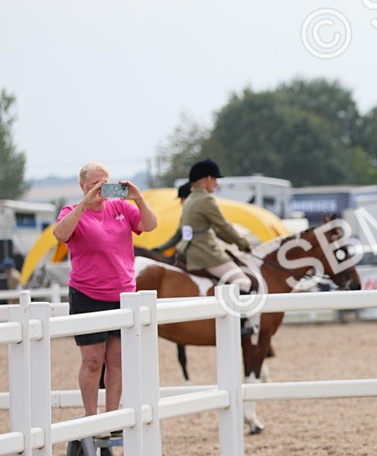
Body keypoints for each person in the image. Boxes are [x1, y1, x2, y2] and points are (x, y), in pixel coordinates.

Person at [52, 161, 158, 417]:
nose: (101, 189)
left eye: (105, 183)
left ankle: (112, 419)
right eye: (95, 184)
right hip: (87, 295)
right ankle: (92, 418)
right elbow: (60, 234)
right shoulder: (71, 211)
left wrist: (138, 198)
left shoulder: (121, 207)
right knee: (92, 361)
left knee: (117, 361)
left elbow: (150, 225)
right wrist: (84, 204)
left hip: (123, 295)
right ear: (82, 186)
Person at [178, 159, 256, 335]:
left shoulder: (190, 199)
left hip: (191, 249)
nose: (216, 183)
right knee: (244, 282)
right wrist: (243, 243)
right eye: (214, 179)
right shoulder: (206, 200)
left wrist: (234, 242)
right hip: (205, 253)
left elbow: (213, 229)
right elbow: (224, 226)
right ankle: (238, 327)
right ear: (205, 179)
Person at [150, 181, 192, 254]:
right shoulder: (185, 215)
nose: (181, 202)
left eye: (182, 199)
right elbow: (178, 235)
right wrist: (159, 249)